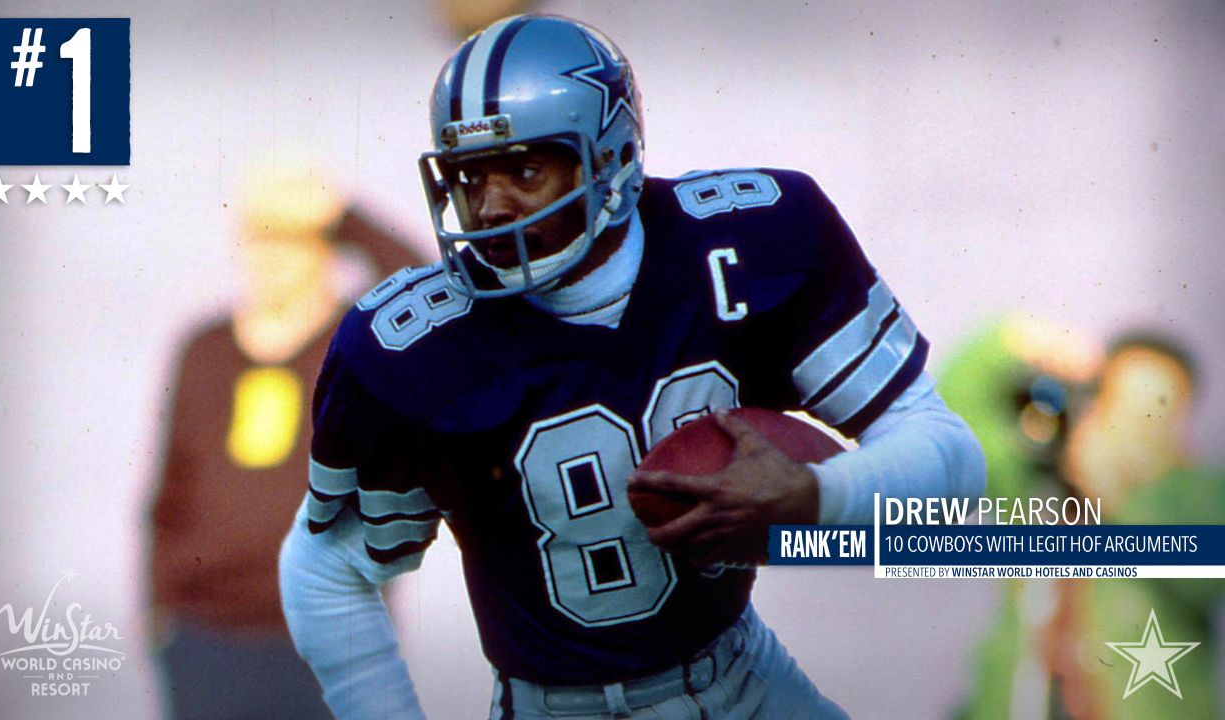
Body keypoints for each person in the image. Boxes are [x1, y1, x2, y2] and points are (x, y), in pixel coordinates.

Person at [280, 14, 985, 720]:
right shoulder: (408, 347)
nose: (491, 207)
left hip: (745, 681)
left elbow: (952, 461)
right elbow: (326, 569)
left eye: (525, 169)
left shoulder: (753, 244)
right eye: (469, 176)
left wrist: (816, 498)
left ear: (613, 157)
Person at [148, 160, 420, 719]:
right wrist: (160, 612)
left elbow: (418, 288)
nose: (270, 257)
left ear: (326, 250)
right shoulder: (205, 348)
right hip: (206, 639)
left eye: (291, 240)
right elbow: (170, 487)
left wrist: (342, 212)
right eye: (258, 238)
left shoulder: (355, 348)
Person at [950, 330, 1223, 720]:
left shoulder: (1200, 495)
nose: (1137, 422)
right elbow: (957, 432)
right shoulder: (1039, 484)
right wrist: (1010, 337)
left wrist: (1117, 490)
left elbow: (1205, 576)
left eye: (1155, 404)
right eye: (1122, 399)